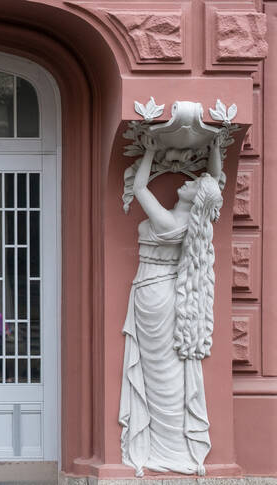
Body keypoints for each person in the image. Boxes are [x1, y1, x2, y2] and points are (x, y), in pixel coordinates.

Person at [119, 135, 224, 476]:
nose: (189, 182)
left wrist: (150, 150)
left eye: (194, 185)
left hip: (153, 297)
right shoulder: (194, 224)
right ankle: (175, 445)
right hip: (167, 297)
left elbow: (138, 187)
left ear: (196, 202)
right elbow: (215, 182)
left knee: (159, 376)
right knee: (170, 374)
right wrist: (216, 151)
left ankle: (167, 448)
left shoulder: (169, 222)